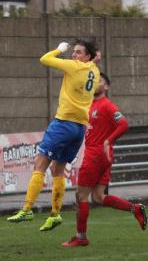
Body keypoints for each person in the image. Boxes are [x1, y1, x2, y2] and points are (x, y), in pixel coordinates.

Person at [7, 39, 100, 231]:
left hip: (63, 123)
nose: (74, 55)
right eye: (73, 52)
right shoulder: (94, 71)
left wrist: (59, 49)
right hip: (79, 128)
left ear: (87, 56)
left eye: (78, 52)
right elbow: (94, 60)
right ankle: (55, 214)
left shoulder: (74, 67)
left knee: (40, 164)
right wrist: (92, 56)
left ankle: (27, 209)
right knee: (59, 170)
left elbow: (45, 59)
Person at [62, 73, 146, 247]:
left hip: (96, 155)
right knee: (98, 197)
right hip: (102, 156)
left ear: (106, 87)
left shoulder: (107, 105)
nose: (94, 84)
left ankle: (81, 237)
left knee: (81, 195)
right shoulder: (91, 105)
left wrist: (109, 140)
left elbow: (123, 124)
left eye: (99, 81)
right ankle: (135, 208)